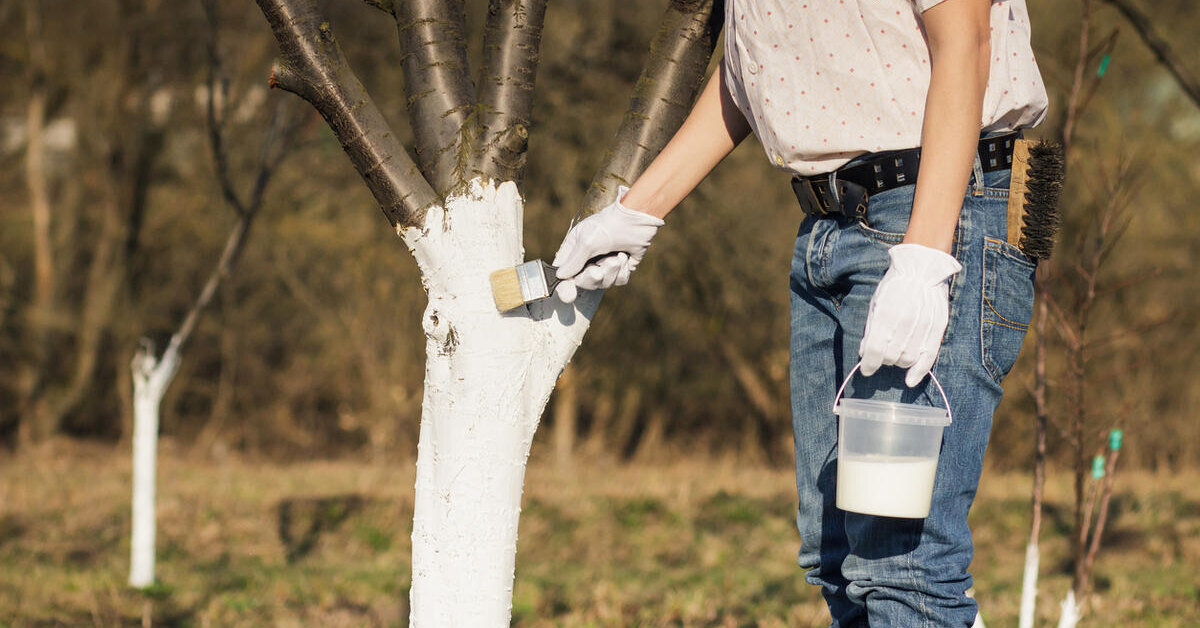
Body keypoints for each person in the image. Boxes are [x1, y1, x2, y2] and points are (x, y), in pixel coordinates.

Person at [552, 0, 1047, 625]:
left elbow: (966, 41)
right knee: (834, 556)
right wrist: (638, 212)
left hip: (933, 211)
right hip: (825, 227)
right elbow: (755, 71)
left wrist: (924, 258)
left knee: (902, 564)